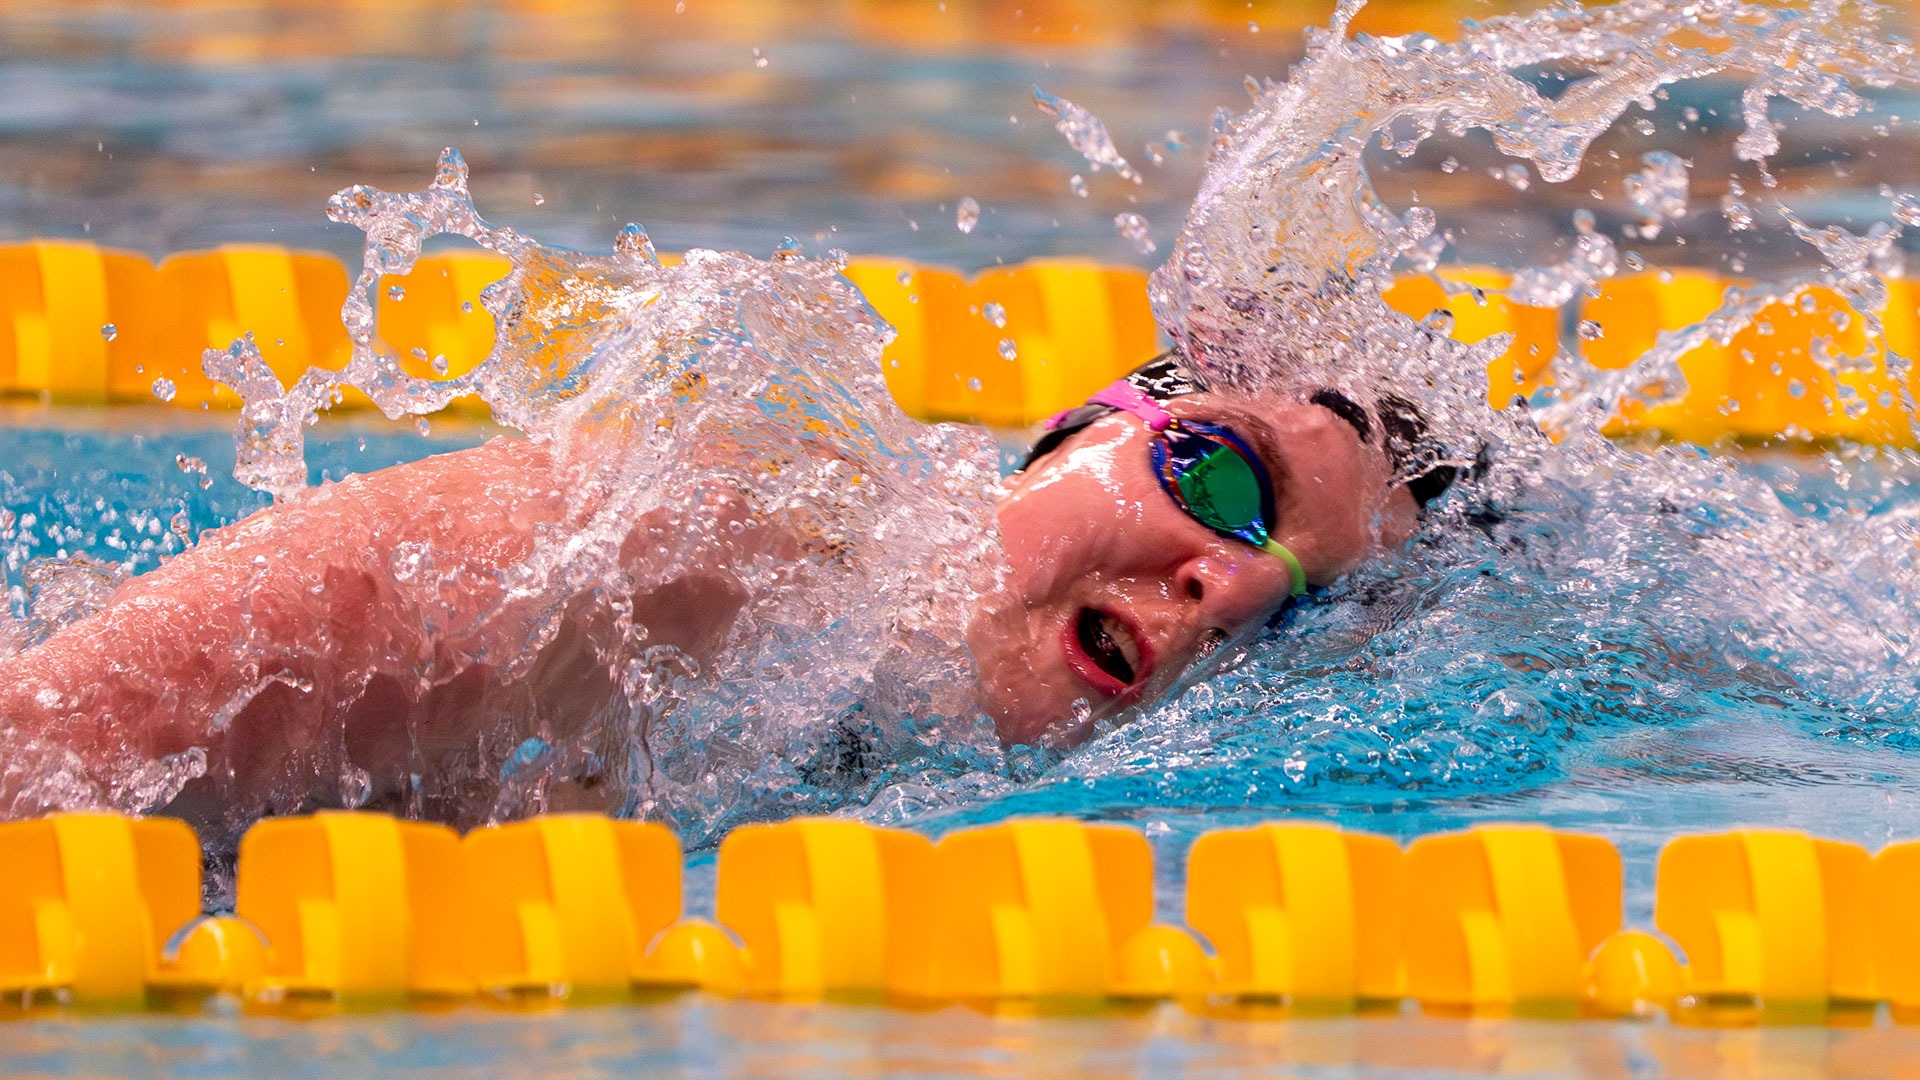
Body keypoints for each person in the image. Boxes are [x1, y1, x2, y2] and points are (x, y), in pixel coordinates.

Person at [0, 351, 1448, 823]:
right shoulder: (690, 545)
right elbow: (47, 742)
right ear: (1073, 431)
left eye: (1300, 603)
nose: (1229, 588)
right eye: (1222, 482)